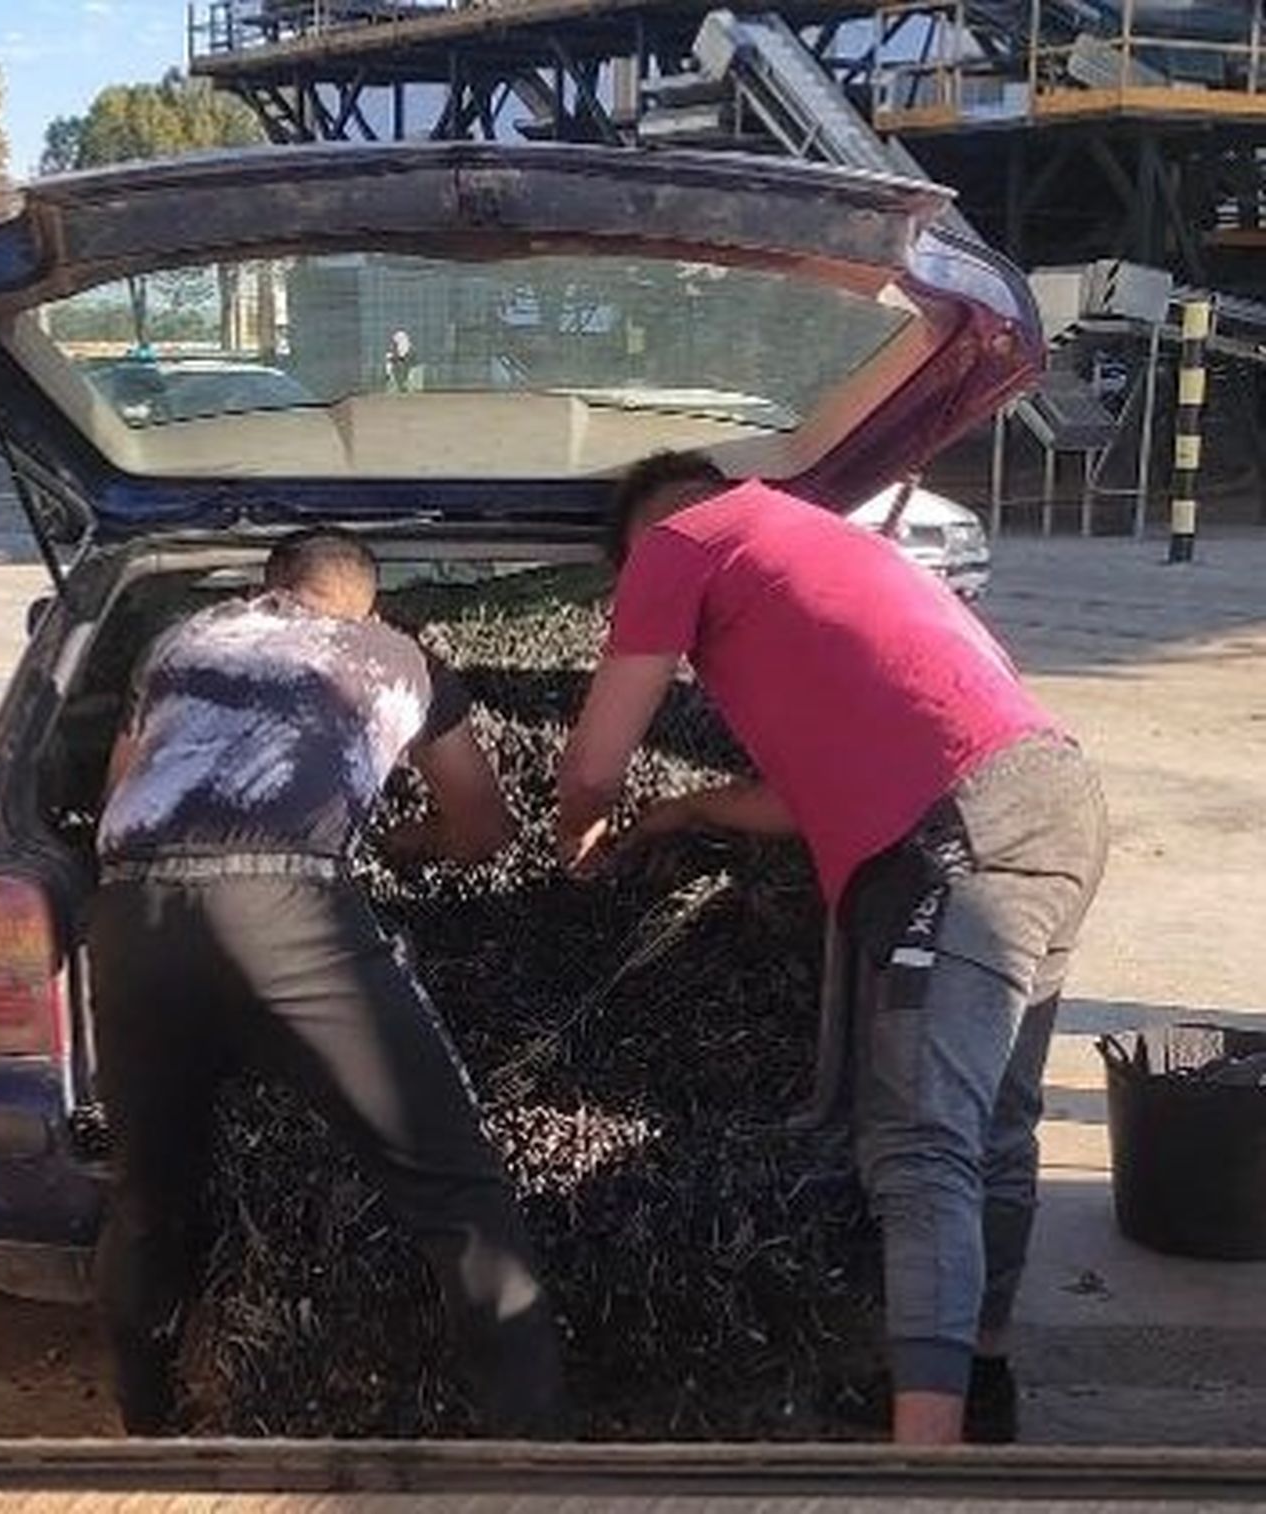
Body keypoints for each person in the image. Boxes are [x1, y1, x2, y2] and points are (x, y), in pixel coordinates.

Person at [556, 452, 1107, 1447]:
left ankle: (922, 1459)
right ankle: (976, 1381)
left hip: (956, 836)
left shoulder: (681, 541)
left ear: (641, 540)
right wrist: (686, 808)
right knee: (998, 1123)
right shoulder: (829, 549)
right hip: (1054, 796)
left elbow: (594, 761)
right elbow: (804, 795)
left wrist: (578, 835)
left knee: (916, 1140)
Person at [90, 527, 566, 1437]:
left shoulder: (179, 644)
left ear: (269, 589)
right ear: (367, 602)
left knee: (149, 1195)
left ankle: (145, 1424)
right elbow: (484, 825)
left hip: (132, 914)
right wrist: (405, 845)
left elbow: (120, 797)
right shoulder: (398, 658)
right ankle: (537, 1451)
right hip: (287, 913)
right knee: (457, 1189)